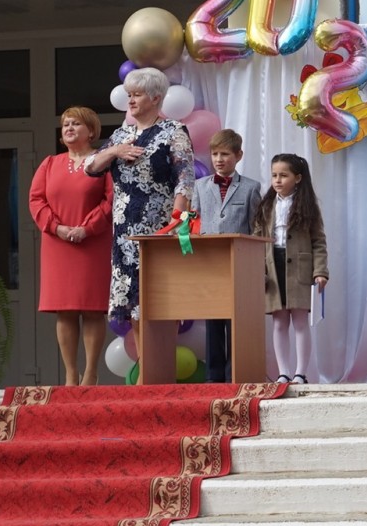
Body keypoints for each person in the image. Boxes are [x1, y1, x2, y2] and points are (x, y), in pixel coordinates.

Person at [84, 69, 195, 334]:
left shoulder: (173, 131)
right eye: (129, 95)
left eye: (137, 95)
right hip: (125, 231)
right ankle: (146, 358)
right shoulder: (121, 135)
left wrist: (177, 223)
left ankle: (161, 357)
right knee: (132, 301)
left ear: (156, 98)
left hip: (159, 228)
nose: (131, 101)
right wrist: (115, 151)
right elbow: (90, 167)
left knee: (160, 296)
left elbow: (185, 180)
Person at [28, 107, 113, 385]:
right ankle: (70, 374)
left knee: (92, 308)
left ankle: (90, 373)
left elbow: (110, 201)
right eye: (65, 124)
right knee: (64, 309)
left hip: (93, 243)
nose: (69, 128)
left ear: (91, 131)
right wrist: (57, 228)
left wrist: (87, 228)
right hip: (58, 244)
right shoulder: (49, 164)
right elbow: (36, 200)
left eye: (76, 124)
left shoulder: (102, 163)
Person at [190, 128, 262, 383]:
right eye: (215, 154)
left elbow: (256, 227)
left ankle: (235, 374)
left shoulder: (251, 187)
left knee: (236, 320)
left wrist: (256, 263)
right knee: (213, 318)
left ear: (238, 155)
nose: (219, 160)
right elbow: (194, 222)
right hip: (209, 263)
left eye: (225, 154)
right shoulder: (200, 186)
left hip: (238, 263)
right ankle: (214, 376)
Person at [251, 153, 326, 384]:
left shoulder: (308, 207)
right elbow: (257, 239)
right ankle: (283, 372)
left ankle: (300, 373)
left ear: (298, 178)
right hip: (273, 267)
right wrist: (257, 270)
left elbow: (318, 241)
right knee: (279, 322)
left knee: (300, 321)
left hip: (300, 269)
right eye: (274, 175)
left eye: (283, 175)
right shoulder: (266, 206)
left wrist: (320, 271)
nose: (277, 180)